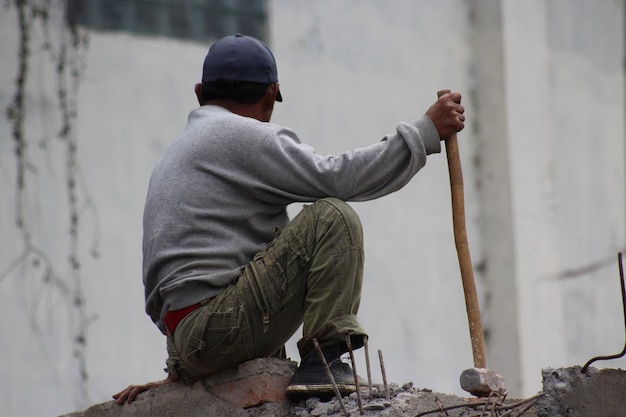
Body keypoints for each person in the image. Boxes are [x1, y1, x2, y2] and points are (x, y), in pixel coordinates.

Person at [113, 33, 464, 405]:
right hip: (217, 329)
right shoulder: (239, 134)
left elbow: (171, 285)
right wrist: (426, 131)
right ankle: (323, 360)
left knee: (264, 252)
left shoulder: (175, 155)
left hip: (186, 341)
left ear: (200, 94)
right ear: (270, 96)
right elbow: (337, 178)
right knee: (333, 216)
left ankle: (233, 366)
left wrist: (183, 365)